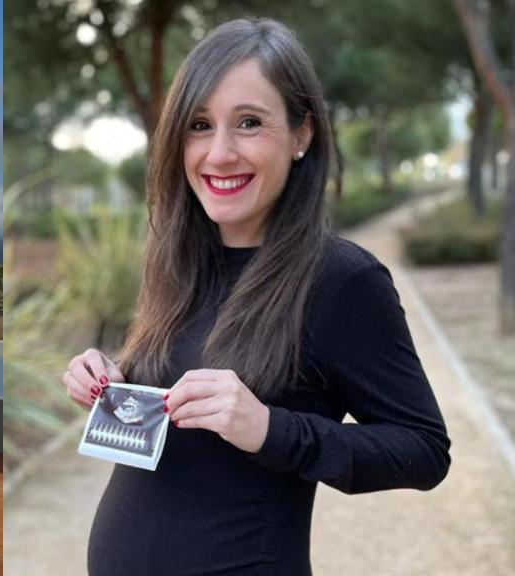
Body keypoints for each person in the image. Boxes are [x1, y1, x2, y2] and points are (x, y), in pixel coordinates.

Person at [62, 18, 450, 576]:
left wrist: (270, 429)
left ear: (302, 135)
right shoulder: (177, 260)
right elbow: (177, 429)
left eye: (249, 123)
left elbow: (424, 450)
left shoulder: (341, 280)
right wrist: (113, 383)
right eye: (199, 124)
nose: (219, 153)